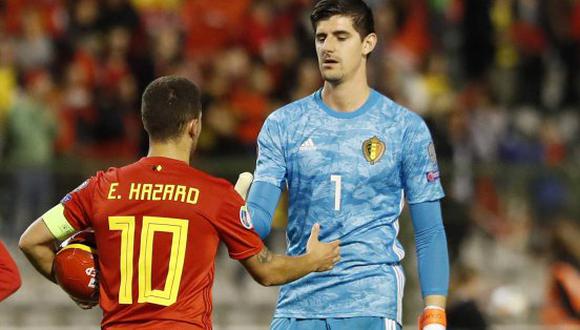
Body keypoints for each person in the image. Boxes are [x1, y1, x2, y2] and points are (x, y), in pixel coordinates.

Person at [18, 76, 340, 329]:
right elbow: (266, 270)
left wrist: (79, 286)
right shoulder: (214, 195)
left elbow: (32, 242)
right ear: (194, 125)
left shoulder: (102, 188)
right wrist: (315, 260)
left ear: (146, 123)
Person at [246, 1, 449, 329]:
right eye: (321, 37)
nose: (328, 47)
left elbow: (429, 231)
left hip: (370, 305)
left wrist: (435, 314)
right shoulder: (283, 125)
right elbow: (258, 222)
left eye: (341, 36)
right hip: (298, 307)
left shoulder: (404, 128)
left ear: (368, 43)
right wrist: (235, 213)